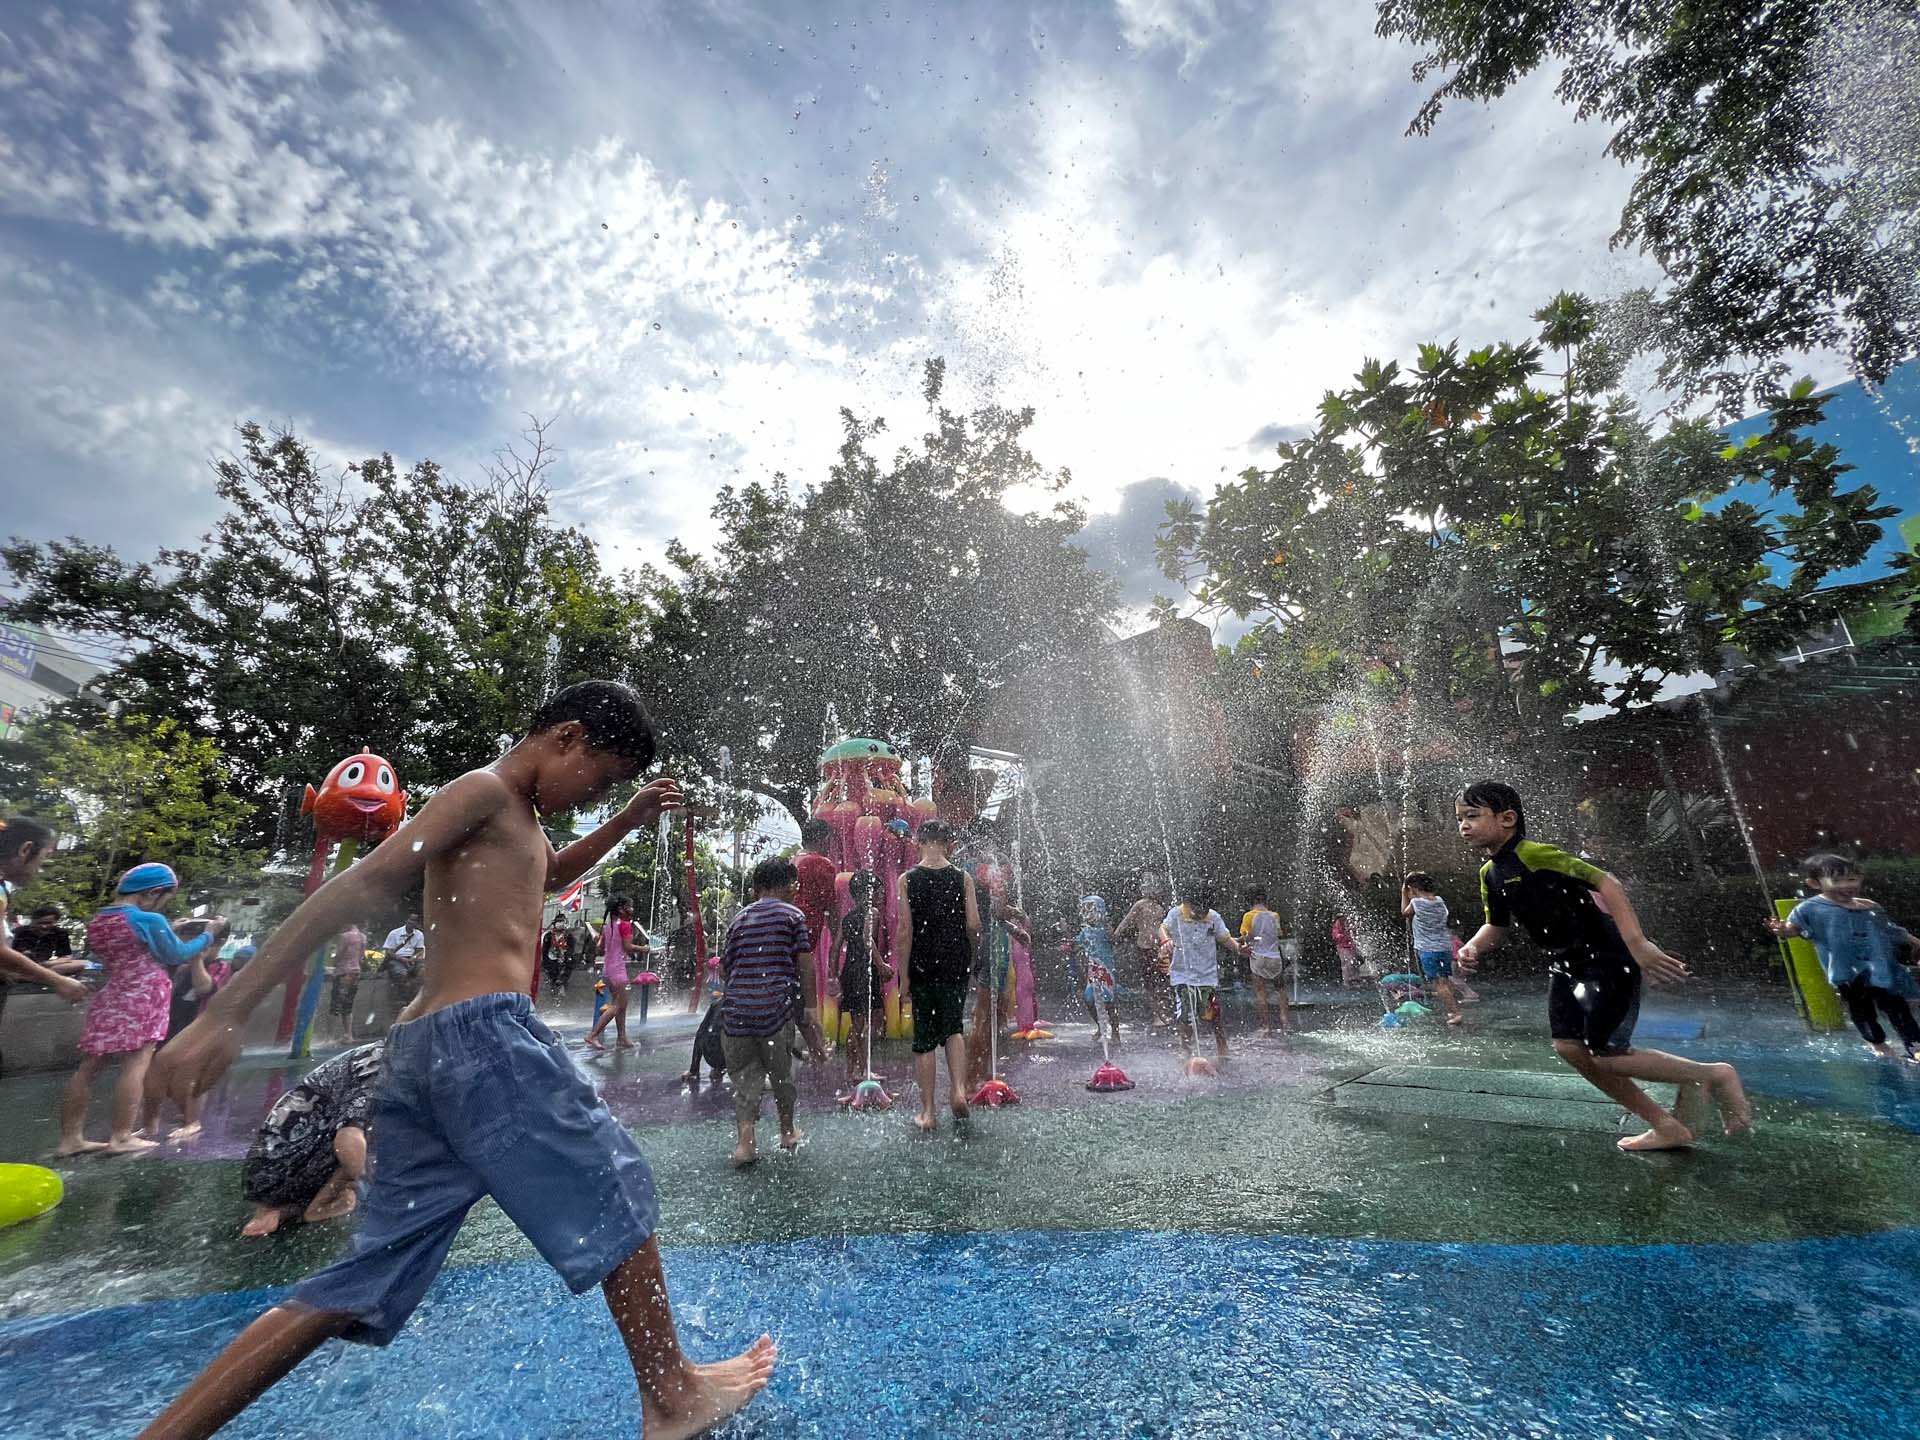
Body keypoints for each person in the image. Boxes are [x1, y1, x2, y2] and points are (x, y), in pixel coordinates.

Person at [138, 680, 775, 1440]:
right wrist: (231, 1008)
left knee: (361, 1278)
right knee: (617, 1186)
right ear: (566, 737)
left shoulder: (519, 819)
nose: (592, 796)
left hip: (427, 1055)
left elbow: (552, 874)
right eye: (600, 778)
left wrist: (628, 822)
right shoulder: (482, 789)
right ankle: (671, 1396)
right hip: (484, 1038)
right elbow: (367, 880)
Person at [1453, 779, 1751, 1153]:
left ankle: (1712, 1075)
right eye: (1460, 818)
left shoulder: (1536, 854)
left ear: (1507, 818)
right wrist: (1473, 946)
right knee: (1568, 1048)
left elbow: (1607, 883)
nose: (1463, 825)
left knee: (1608, 1056)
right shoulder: (1490, 873)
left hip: (1607, 957)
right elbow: (1496, 925)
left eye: (1472, 816)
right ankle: (1666, 1125)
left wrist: (1638, 944)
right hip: (1565, 964)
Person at [58, 864, 227, 1156]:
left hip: (112, 994)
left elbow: (127, 950)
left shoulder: (100, 919)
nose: (164, 904)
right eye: (164, 898)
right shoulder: (148, 918)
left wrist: (168, 930)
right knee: (136, 1064)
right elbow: (177, 954)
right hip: (145, 995)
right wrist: (209, 935)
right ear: (152, 892)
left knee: (88, 1068)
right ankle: (121, 1136)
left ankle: (70, 1139)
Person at [1766, 853, 1920, 1062]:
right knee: (1862, 1011)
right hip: (1847, 973)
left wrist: (1914, 941)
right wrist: (1782, 930)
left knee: (1898, 1007)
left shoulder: (1869, 906)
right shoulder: (1810, 908)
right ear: (1814, 883)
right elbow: (1794, 929)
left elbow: (1890, 929)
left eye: (1852, 878)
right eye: (1837, 880)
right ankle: (1878, 1044)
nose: (1847, 885)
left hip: (1881, 969)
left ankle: (1915, 1046)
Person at [718, 856, 812, 1165]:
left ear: (757, 887)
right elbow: (804, 963)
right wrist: (807, 1006)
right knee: (781, 1074)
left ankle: (746, 1143)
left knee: (745, 1079)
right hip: (773, 1009)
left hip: (736, 1013)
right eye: (794, 884)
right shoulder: (792, 916)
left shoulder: (739, 919)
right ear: (788, 885)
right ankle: (787, 1131)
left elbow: (725, 969)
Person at [241, 1041, 386, 1237]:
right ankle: (295, 1205)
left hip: (277, 1165)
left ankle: (301, 1208)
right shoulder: (382, 1065)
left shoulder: (390, 1054)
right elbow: (347, 1141)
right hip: (280, 1171)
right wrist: (388, 1195)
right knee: (366, 1134)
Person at [897, 819, 981, 1131]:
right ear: (948, 843)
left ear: (919, 842)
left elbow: (904, 931)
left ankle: (929, 1112)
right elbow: (973, 924)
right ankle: (958, 1091)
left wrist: (904, 977)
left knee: (925, 1037)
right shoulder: (963, 877)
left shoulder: (907, 879)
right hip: (955, 960)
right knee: (953, 1027)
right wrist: (970, 956)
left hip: (921, 962)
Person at [1161, 881, 1243, 1064]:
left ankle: (1223, 1048)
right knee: (1186, 1015)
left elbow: (1226, 939)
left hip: (1206, 977)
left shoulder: (1213, 917)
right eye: (1196, 910)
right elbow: (1163, 928)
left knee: (1214, 1014)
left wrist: (1238, 949)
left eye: (1204, 911)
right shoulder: (1176, 914)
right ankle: (1185, 1049)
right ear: (1187, 903)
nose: (1200, 914)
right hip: (1182, 975)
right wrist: (1165, 941)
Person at [833, 870, 893, 1096]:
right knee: (875, 1018)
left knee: (857, 1023)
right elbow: (869, 940)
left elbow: (836, 947)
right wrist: (882, 966)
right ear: (868, 892)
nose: (881, 893)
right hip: (864, 972)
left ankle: (853, 1069)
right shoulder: (873, 913)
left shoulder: (847, 917)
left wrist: (833, 975)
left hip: (850, 972)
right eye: (878, 889)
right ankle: (864, 1068)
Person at [791, 817, 839, 1060]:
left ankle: (816, 1048)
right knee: (800, 993)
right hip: (806, 933)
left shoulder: (793, 861)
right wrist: (838, 932)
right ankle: (816, 1049)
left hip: (786, 931)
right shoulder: (823, 864)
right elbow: (831, 904)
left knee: (794, 991)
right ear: (824, 839)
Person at [1401, 874, 1464, 1026]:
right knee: (1445, 979)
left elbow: (1404, 912)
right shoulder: (1439, 901)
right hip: (1445, 946)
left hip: (1429, 949)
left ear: (1414, 889)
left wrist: (1403, 893)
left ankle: (1455, 1013)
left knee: (1439, 983)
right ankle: (1454, 1008)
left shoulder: (1416, 902)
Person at [1115, 871, 1174, 1029]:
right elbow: (1126, 921)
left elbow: (1167, 926)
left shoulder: (1161, 906)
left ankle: (1164, 1011)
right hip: (1145, 948)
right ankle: (1156, 1015)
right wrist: (1114, 936)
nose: (1152, 889)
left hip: (1160, 948)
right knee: (1150, 983)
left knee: (1163, 980)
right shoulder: (1140, 904)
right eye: (1148, 885)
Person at [583, 896, 638, 1051]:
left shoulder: (609, 926)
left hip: (608, 969)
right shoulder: (625, 925)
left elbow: (600, 949)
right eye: (630, 906)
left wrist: (598, 941)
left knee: (621, 1004)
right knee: (618, 1005)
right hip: (618, 971)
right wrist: (645, 949)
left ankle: (622, 1037)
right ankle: (593, 1035)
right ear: (621, 909)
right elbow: (628, 947)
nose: (632, 909)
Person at [1239, 888, 1290, 1036]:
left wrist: (1235, 941)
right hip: (1274, 957)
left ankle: (1266, 1026)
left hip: (1257, 957)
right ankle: (1285, 1021)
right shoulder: (1274, 915)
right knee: (1281, 990)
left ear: (1250, 901)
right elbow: (1279, 933)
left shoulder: (1248, 916)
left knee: (1261, 993)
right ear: (1265, 900)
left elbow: (1246, 937)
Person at [1075, 895, 1122, 1046]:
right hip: (1092, 970)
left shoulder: (1105, 929)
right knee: (1089, 1000)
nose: (1088, 914)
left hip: (1106, 969)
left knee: (1110, 1002)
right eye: (1085, 910)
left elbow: (1114, 939)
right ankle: (1101, 1027)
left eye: (1092, 910)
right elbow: (1077, 944)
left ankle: (1115, 1032)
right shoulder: (1085, 931)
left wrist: (1108, 927)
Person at [12, 903, 85, 976]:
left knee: (84, 963)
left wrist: (49, 963)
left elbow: (66, 957)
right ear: (33, 921)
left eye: (48, 923)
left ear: (56, 921)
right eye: (40, 923)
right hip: (19, 965)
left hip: (45, 966)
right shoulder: (20, 932)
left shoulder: (60, 933)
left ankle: (40, 975)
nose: (44, 926)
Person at [380, 913, 425, 1010]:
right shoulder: (394, 933)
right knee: (402, 974)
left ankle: (418, 998)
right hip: (397, 959)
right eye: (411, 920)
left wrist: (414, 958)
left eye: (415, 921)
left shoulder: (419, 935)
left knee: (423, 972)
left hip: (412, 959)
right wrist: (401, 959)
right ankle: (404, 1000)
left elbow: (419, 950)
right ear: (407, 920)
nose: (412, 922)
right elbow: (388, 952)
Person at [330, 922, 366, 1042]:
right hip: (355, 972)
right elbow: (361, 957)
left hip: (343, 972)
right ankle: (348, 1034)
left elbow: (339, 954)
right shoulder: (362, 937)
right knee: (348, 1005)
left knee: (336, 1005)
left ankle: (330, 1037)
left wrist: (333, 962)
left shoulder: (344, 936)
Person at [541, 912, 579, 998]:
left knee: (567, 967)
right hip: (551, 960)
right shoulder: (549, 935)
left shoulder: (569, 936)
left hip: (565, 959)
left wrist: (566, 955)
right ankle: (553, 986)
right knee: (552, 972)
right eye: (559, 921)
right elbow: (545, 950)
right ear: (554, 923)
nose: (560, 924)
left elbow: (571, 949)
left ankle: (562, 985)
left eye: (562, 921)